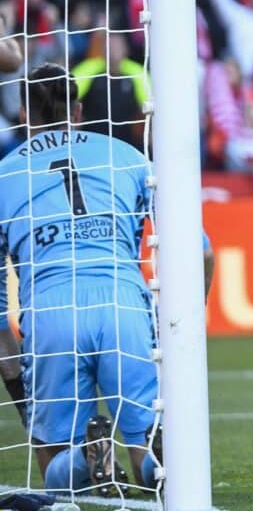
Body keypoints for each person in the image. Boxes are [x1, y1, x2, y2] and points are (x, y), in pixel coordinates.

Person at [0, 64, 165, 495]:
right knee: (151, 448)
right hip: (121, 300)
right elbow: (196, 246)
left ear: (22, 113)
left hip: (53, 309)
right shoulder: (127, 155)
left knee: (51, 463)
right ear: (77, 109)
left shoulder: (4, 175)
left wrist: (14, 369)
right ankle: (154, 463)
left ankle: (83, 457)